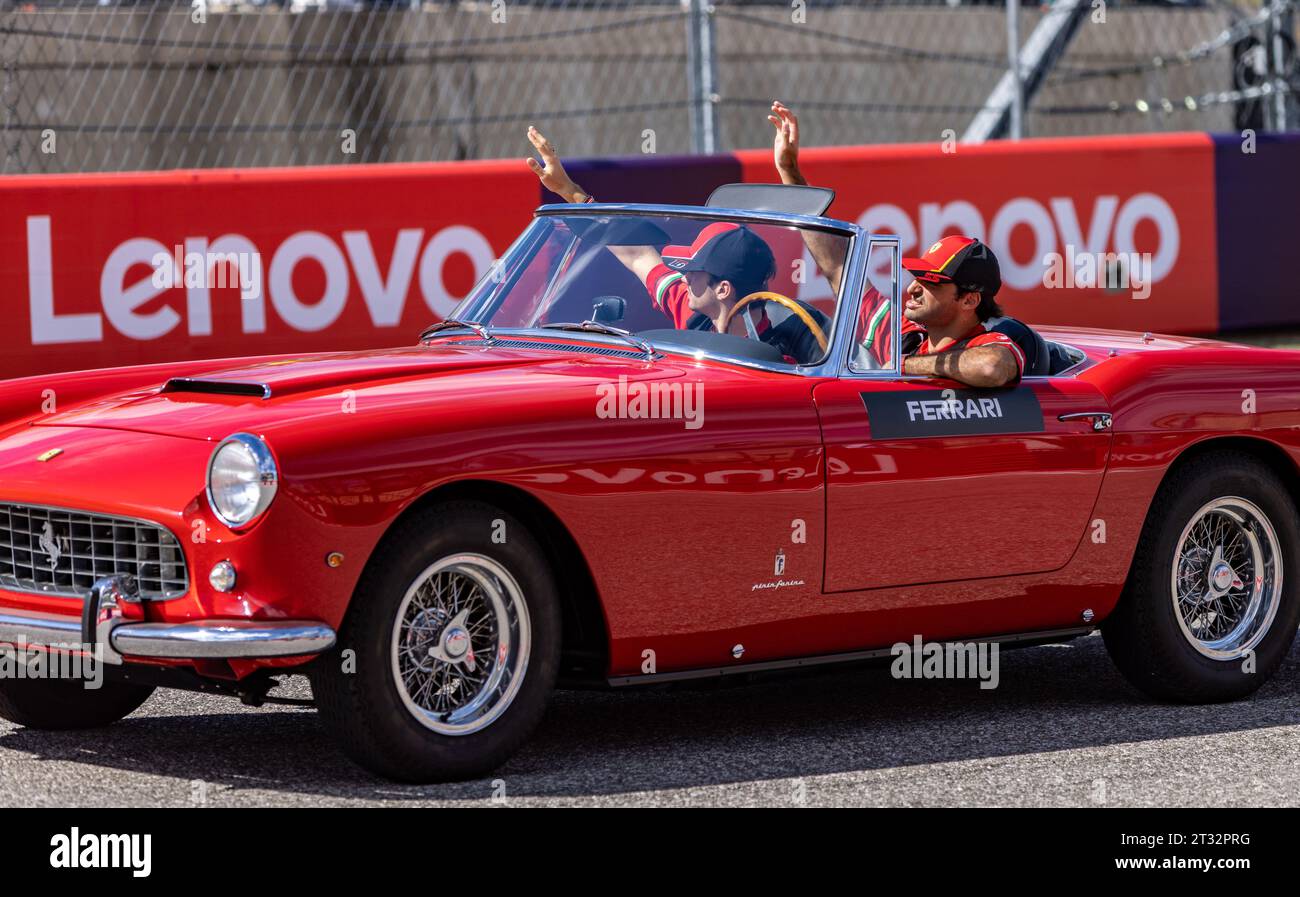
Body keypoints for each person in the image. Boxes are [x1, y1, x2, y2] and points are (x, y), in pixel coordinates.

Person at [525, 125, 830, 364]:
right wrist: (569, 191)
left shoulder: (796, 338)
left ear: (723, 289)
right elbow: (638, 255)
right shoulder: (692, 309)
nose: (684, 277)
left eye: (693, 271)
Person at [767, 102, 1023, 387]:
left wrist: (903, 365)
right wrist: (790, 172)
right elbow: (837, 266)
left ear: (969, 300)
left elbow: (992, 368)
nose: (912, 288)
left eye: (931, 282)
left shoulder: (990, 343)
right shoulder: (902, 334)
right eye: (917, 277)